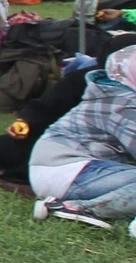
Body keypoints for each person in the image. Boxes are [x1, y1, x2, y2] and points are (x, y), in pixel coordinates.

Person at [28, 44, 136, 221]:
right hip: (68, 170)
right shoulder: (122, 104)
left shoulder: (116, 94)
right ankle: (78, 209)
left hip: (67, 170)